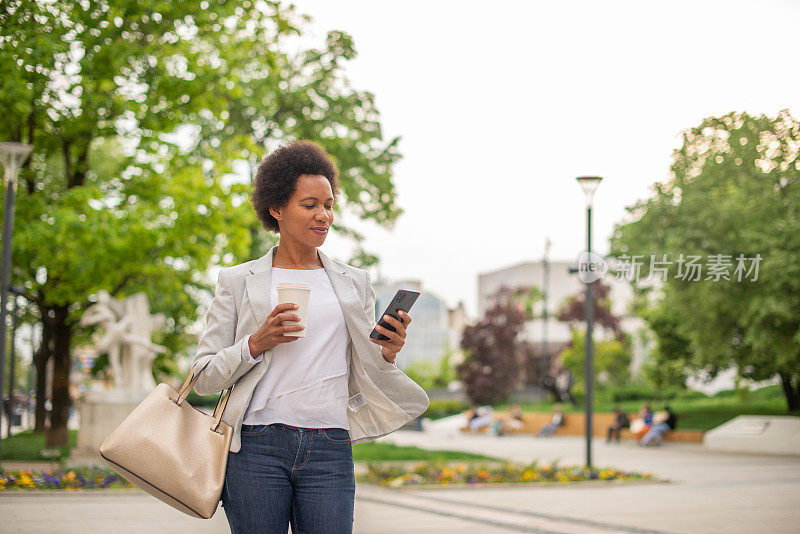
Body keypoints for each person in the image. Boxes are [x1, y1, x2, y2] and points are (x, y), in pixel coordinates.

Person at [191, 140, 429, 534]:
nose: (324, 215)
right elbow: (203, 376)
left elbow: (364, 364)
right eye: (310, 205)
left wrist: (388, 353)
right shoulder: (236, 281)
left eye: (329, 205)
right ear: (276, 209)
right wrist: (256, 342)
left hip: (330, 444)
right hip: (255, 446)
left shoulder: (354, 282)